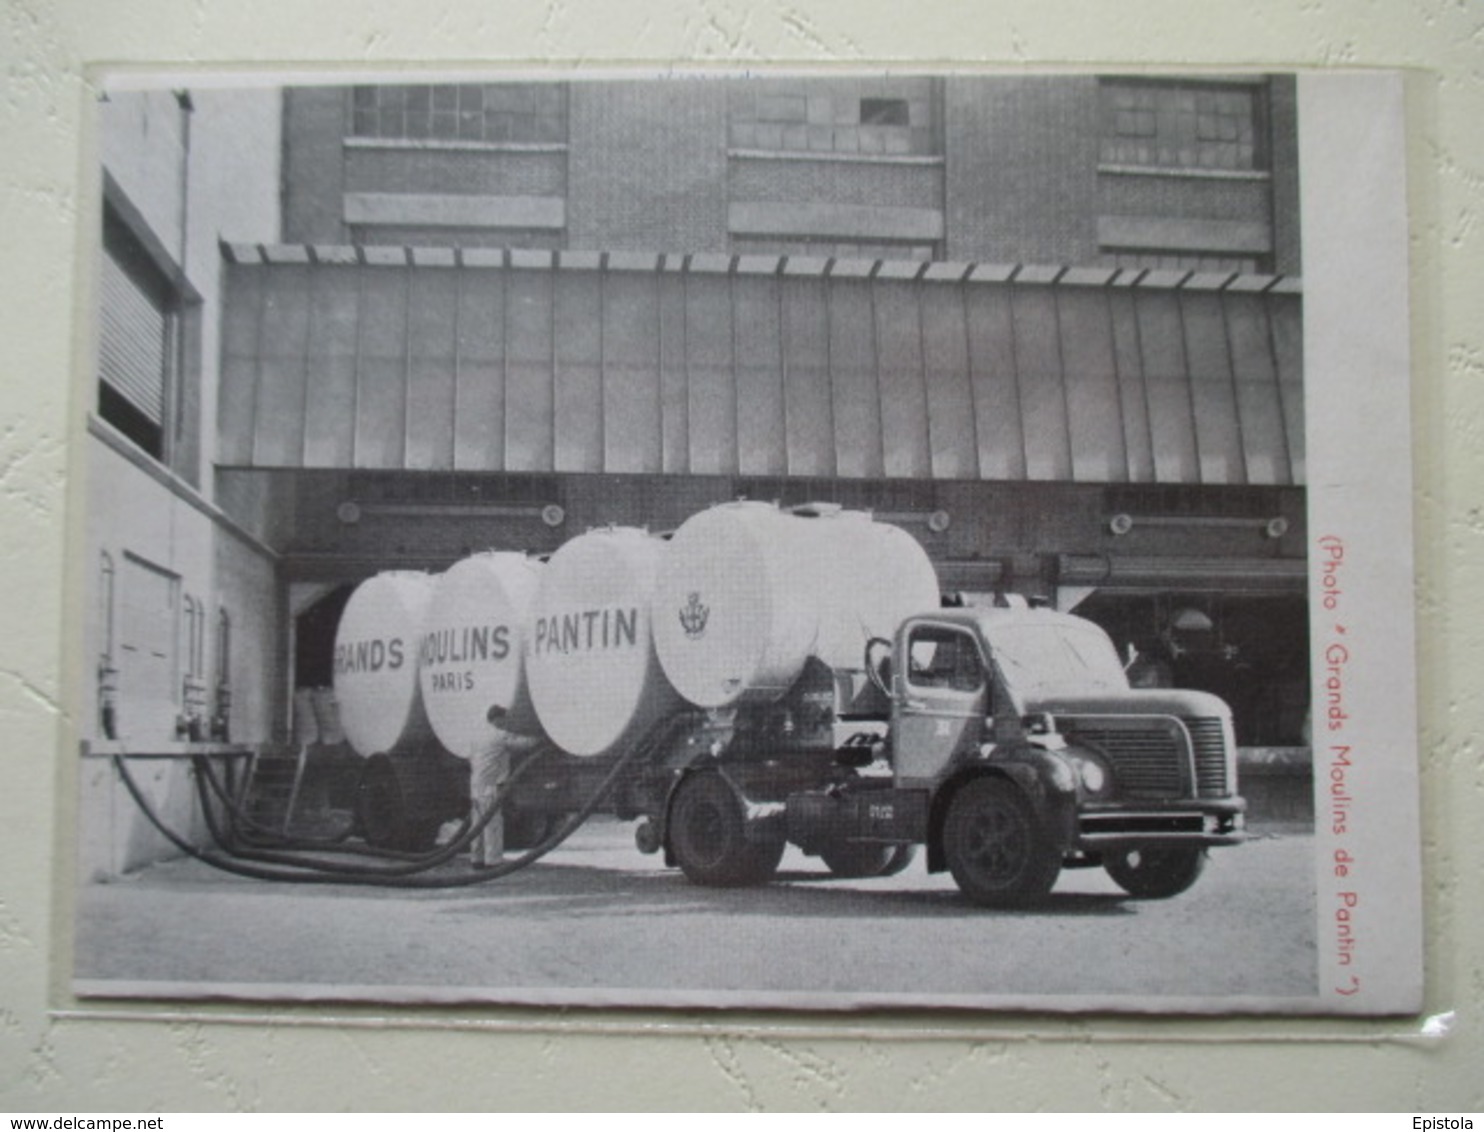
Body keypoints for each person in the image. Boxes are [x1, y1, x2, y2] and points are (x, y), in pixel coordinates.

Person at [470, 704, 539, 868]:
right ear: (498, 719)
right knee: (492, 825)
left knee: (477, 826)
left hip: (475, 785)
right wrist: (542, 739)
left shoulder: (477, 736)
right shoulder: (499, 736)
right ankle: (493, 861)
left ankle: (476, 859)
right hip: (490, 786)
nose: (506, 723)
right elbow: (524, 744)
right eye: (504, 719)